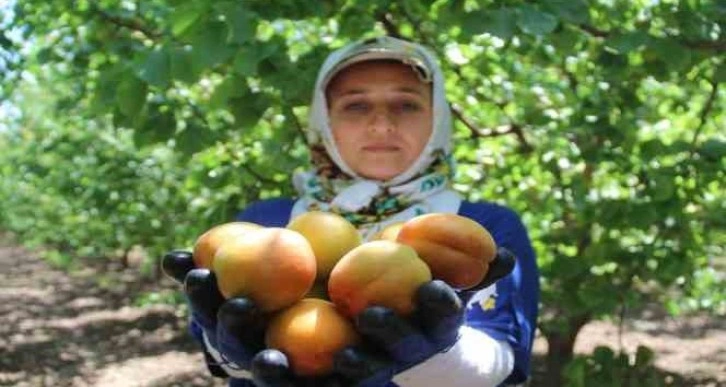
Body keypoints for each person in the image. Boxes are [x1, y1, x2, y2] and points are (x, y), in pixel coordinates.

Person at [163, 36, 539, 387]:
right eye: (355, 105)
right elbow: (220, 341)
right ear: (324, 120)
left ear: (437, 117)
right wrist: (228, 350)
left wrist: (437, 354)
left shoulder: (485, 225)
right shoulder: (265, 222)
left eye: (406, 104)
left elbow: (499, 360)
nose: (381, 125)